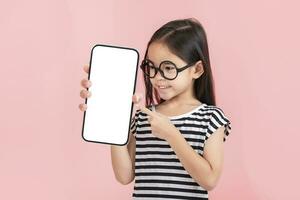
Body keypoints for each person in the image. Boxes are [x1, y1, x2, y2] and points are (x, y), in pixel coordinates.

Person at [79, 18, 231, 200]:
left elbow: (210, 179)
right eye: (152, 67)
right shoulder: (144, 117)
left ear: (197, 70)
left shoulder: (210, 118)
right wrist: (115, 117)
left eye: (168, 68)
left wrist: (172, 135)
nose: (157, 78)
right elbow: (124, 176)